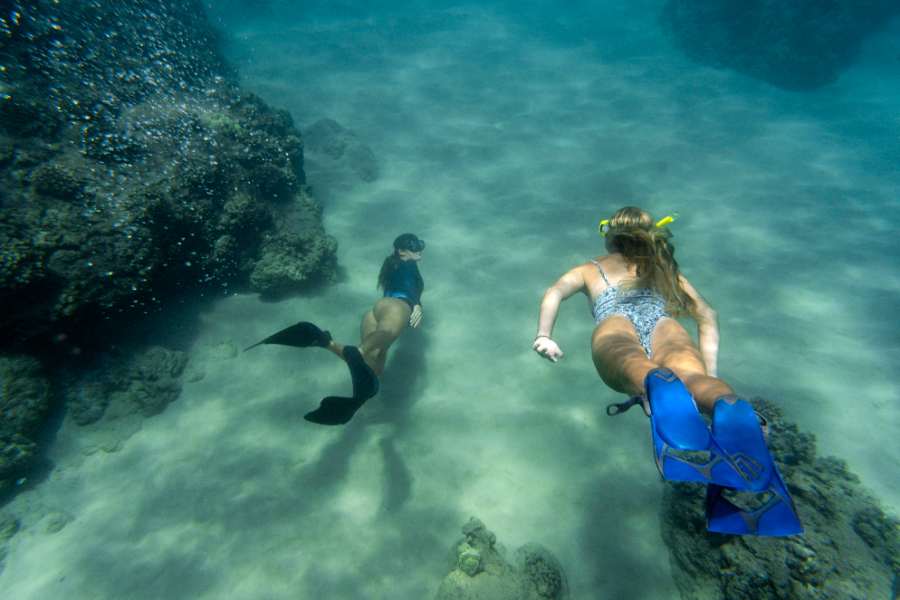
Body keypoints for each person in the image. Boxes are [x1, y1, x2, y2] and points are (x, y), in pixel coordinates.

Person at [533, 207, 801, 536]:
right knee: (694, 380)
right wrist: (710, 376)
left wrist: (544, 335)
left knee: (634, 365)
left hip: (614, 323)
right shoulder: (663, 269)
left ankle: (652, 385)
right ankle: (723, 402)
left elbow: (554, 291)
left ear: (609, 236)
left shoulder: (591, 268)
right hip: (664, 325)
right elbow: (707, 315)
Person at [246, 233, 425, 425]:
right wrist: (416, 304)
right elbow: (410, 287)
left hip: (376, 310)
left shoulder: (392, 264)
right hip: (398, 306)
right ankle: (358, 350)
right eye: (414, 246)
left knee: (373, 366)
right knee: (384, 335)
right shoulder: (408, 266)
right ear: (401, 251)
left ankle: (325, 342)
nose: (419, 250)